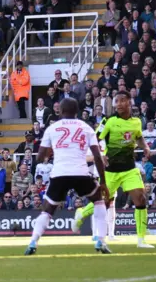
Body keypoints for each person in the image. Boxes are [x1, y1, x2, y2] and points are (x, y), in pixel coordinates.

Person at [25, 98, 110, 255]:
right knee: (99, 202)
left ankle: (33, 242)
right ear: (77, 111)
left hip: (60, 174)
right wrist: (103, 182)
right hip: (81, 173)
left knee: (47, 210)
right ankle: (100, 241)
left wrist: (50, 151)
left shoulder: (52, 128)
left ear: (61, 111)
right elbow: (98, 157)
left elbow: (39, 157)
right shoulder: (87, 127)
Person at [73, 91, 154, 248]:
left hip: (130, 169)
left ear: (129, 103)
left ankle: (141, 240)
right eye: (116, 101)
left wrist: (145, 147)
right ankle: (81, 213)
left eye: (121, 101)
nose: (118, 104)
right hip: (111, 170)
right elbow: (95, 139)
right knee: (103, 201)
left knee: (141, 198)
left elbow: (138, 137)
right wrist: (102, 153)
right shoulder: (108, 121)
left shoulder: (137, 122)